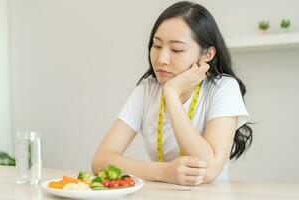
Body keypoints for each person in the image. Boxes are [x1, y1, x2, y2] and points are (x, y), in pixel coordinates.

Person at [92, 1, 253, 185]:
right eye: (157, 45)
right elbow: (100, 161)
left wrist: (172, 93)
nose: (161, 59)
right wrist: (164, 172)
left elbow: (208, 171)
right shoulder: (147, 90)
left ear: (207, 54)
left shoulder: (224, 88)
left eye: (176, 49)